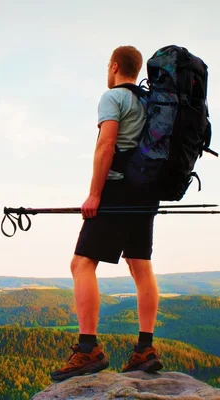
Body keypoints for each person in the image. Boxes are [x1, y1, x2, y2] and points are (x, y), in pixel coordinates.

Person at [51, 45, 164, 382]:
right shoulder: (150, 102)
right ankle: (145, 348)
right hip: (147, 191)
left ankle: (88, 350)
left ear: (114, 66)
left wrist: (95, 194)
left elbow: (106, 145)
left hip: (117, 189)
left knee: (82, 264)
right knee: (140, 265)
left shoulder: (112, 97)